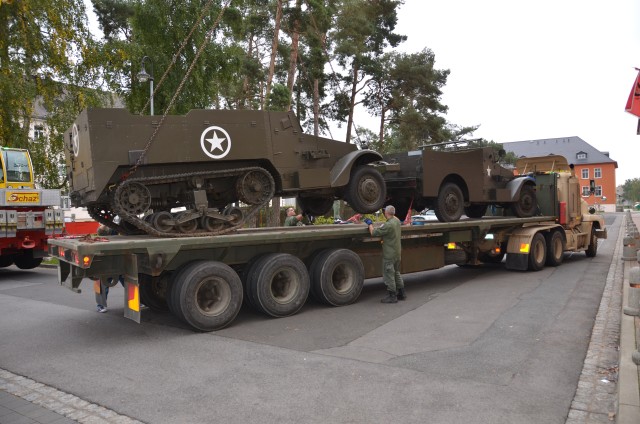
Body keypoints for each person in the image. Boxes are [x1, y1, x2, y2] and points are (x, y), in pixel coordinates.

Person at [365, 205, 406, 303]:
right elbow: (394, 217)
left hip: (389, 254)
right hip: (397, 253)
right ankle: (402, 293)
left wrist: (370, 224)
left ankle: (392, 296)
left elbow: (374, 232)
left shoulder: (388, 225)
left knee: (389, 274)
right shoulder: (396, 222)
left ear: (386, 213)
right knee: (396, 272)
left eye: (384, 212)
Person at [95, 224, 124, 313]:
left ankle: (101, 305)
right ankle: (100, 305)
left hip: (112, 266)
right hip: (114, 266)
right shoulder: (110, 239)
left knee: (103, 286)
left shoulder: (101, 240)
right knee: (127, 283)